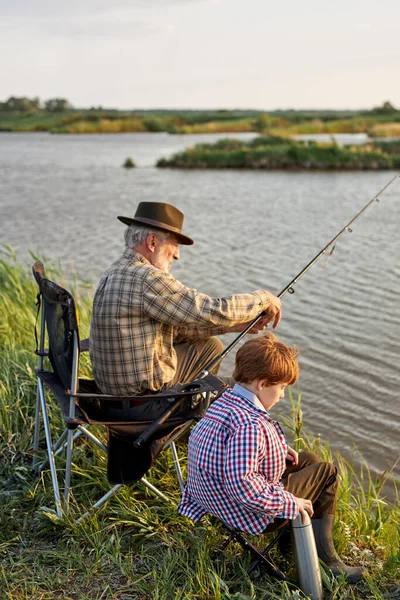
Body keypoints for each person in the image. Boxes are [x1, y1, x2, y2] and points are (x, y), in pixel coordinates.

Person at [178, 332, 364, 583]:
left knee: (306, 459)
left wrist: (277, 446)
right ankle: (328, 562)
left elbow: (231, 450)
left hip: (210, 495)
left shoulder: (226, 401)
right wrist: (291, 503)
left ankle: (293, 545)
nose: (283, 396)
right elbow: (243, 486)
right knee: (327, 472)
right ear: (263, 383)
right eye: (282, 388)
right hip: (242, 510)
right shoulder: (249, 425)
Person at [89, 201, 282, 421]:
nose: (177, 255)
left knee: (210, 346)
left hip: (109, 396)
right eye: (175, 245)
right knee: (235, 387)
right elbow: (210, 309)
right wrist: (263, 298)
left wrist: (233, 327)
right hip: (142, 405)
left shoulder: (114, 271)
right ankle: (195, 426)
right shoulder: (145, 277)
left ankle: (191, 420)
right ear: (152, 242)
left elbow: (173, 330)